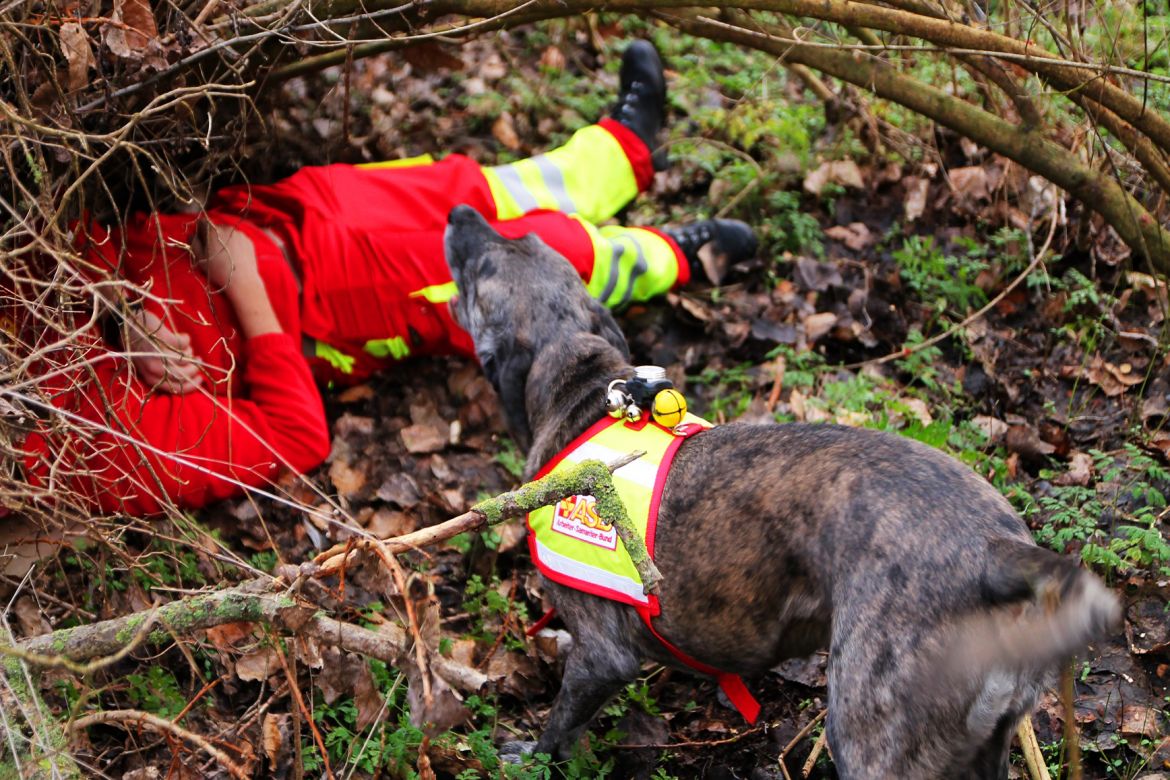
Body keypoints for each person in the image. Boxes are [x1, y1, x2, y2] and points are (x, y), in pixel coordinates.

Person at [9, 40, 758, 518]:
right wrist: (248, 297)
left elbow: (82, 242)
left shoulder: (15, 302)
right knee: (541, 258)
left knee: (473, 189)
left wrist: (119, 304)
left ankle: (623, 150)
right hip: (332, 301)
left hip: (286, 210)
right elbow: (291, 436)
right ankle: (672, 256)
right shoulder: (74, 449)